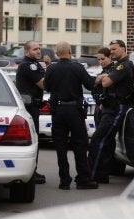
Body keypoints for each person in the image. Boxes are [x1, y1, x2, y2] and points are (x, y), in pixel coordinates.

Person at [42, 41, 98, 190]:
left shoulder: (52, 68)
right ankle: (83, 179)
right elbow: (90, 85)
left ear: (57, 54)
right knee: (80, 145)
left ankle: (64, 180)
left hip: (58, 111)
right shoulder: (77, 68)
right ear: (70, 51)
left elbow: (46, 87)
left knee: (60, 146)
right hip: (75, 111)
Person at [88, 39, 134, 184]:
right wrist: (104, 77)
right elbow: (100, 83)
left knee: (99, 139)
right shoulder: (117, 65)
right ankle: (101, 175)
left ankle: (92, 176)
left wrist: (102, 77)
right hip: (109, 106)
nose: (112, 51)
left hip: (117, 107)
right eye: (111, 49)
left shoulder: (125, 65)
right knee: (106, 141)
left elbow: (105, 82)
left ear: (123, 49)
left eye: (114, 49)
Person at [15, 40, 47, 184]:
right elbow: (44, 84)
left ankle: (33, 170)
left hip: (33, 106)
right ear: (27, 52)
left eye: (39, 49)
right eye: (35, 49)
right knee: (33, 141)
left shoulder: (35, 65)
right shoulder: (29, 66)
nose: (38, 51)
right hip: (30, 107)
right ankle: (31, 173)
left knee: (35, 140)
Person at [92, 47, 113, 126]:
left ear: (109, 57)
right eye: (99, 59)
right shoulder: (102, 71)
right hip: (98, 105)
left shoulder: (113, 70)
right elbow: (94, 89)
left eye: (103, 59)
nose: (100, 62)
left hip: (106, 107)